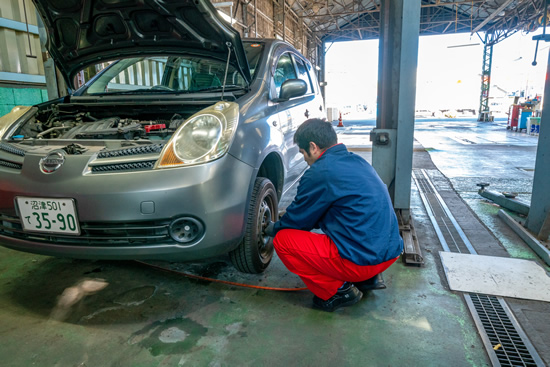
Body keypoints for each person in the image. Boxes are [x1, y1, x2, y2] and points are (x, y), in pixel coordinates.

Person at [264, 118, 403, 312]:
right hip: (388, 253)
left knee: (284, 240)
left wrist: (273, 227)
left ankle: (339, 292)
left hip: (362, 261)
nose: (304, 159)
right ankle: (368, 280)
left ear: (313, 147)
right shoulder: (357, 161)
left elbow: (296, 223)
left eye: (303, 152)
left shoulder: (319, 172)